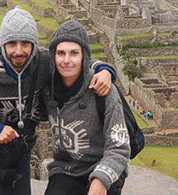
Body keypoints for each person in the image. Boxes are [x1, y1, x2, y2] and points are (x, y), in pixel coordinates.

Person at [0, 7, 116, 195]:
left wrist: (105, 70)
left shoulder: (42, 61)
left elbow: (74, 62)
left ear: (33, 45)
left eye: (25, 43)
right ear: (2, 44)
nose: (19, 51)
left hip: (17, 142)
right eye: (12, 44)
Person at [42, 20, 130, 195]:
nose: (66, 60)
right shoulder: (46, 87)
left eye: (74, 53)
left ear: (84, 57)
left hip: (103, 163)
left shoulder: (104, 90)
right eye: (61, 53)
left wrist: (101, 179)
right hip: (65, 168)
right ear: (53, 56)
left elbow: (119, 147)